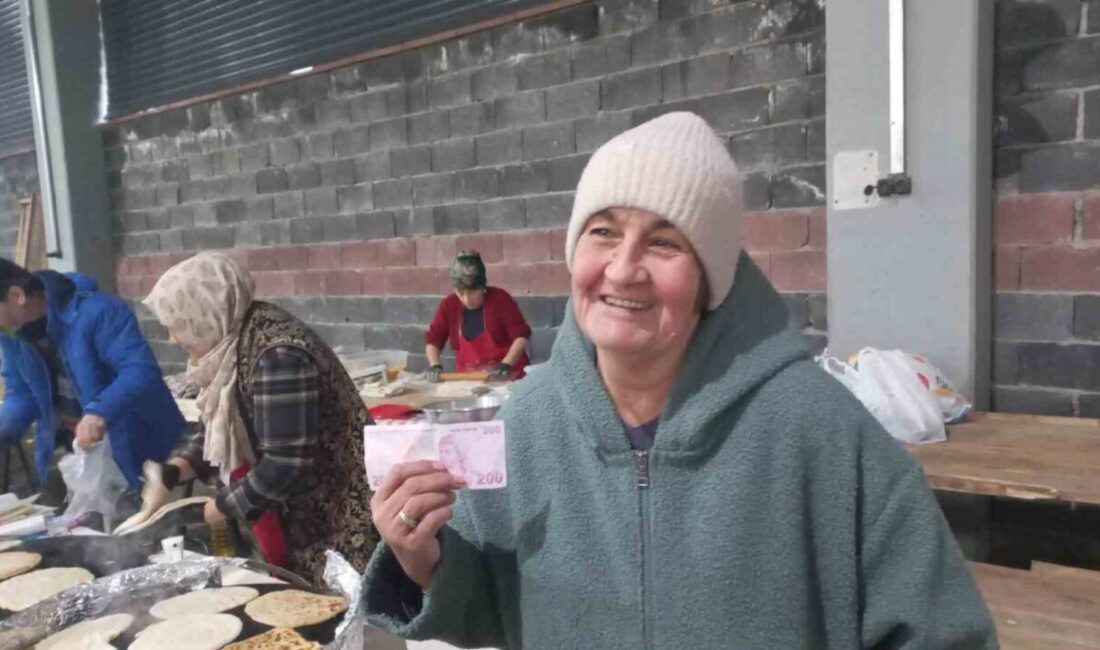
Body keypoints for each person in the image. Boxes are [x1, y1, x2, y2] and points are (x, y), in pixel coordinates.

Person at [362, 113, 997, 648]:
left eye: (664, 243)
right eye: (603, 232)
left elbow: (943, 633)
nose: (624, 268)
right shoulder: (526, 423)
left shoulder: (821, 433)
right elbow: (494, 608)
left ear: (710, 279)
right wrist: (425, 561)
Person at [118, 252, 377, 584]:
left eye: (177, 325)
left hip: (337, 520)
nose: (172, 338)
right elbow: (223, 426)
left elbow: (286, 464)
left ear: (206, 313)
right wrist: (176, 470)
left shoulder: (277, 356)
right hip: (303, 522)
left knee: (346, 622)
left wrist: (219, 508)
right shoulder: (232, 345)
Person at [0, 259, 184, 491]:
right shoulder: (12, 335)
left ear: (17, 295)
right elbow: (21, 394)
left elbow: (140, 370)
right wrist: (4, 429)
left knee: (150, 522)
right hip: (84, 452)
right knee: (90, 523)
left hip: (140, 445)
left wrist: (99, 411)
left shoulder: (99, 311)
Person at [424, 251, 531, 381]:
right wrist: (435, 365)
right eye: (461, 292)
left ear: (483, 287)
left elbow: (520, 336)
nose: (466, 299)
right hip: (468, 380)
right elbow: (433, 340)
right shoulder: (449, 305)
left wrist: (506, 363)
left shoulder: (500, 299)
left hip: (508, 377)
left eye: (473, 292)